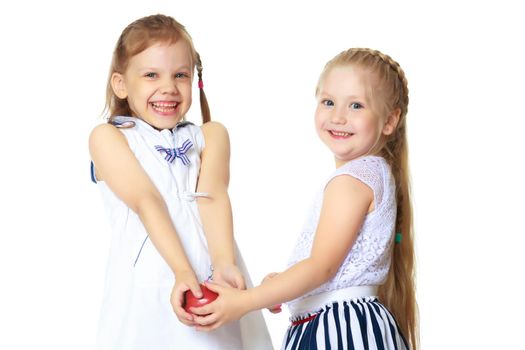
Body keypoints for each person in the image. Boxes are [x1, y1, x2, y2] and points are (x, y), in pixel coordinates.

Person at [191, 48, 418, 349]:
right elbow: (331, 267)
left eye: (356, 105)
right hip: (338, 324)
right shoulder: (372, 173)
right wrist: (286, 286)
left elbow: (320, 267)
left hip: (338, 331)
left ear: (389, 120)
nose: (338, 116)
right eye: (328, 102)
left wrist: (245, 302)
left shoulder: (351, 181)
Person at [89, 14, 272, 350]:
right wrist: (183, 274)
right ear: (121, 84)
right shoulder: (109, 137)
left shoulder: (211, 135)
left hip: (210, 275)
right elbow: (147, 201)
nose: (168, 87)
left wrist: (223, 264)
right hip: (154, 280)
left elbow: (212, 197)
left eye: (180, 75)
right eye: (150, 75)